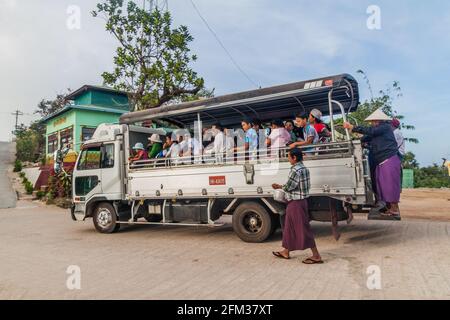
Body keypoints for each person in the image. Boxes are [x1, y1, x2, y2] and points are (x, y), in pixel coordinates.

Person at [343, 109, 402, 219]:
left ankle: (394, 209)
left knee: (390, 185)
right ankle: (390, 208)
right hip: (383, 160)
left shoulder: (385, 127)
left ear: (379, 120)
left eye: (373, 121)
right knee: (382, 184)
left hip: (388, 158)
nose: (372, 123)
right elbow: (367, 137)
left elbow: (370, 131)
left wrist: (353, 127)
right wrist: (355, 141)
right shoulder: (379, 130)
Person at [271, 148, 323, 264]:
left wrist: (278, 186)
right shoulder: (304, 168)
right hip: (300, 202)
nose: (288, 159)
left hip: (296, 203)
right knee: (289, 228)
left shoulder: (295, 170)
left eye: (289, 156)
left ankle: (316, 255)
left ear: (294, 158)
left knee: (303, 229)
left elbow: (289, 187)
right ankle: (286, 251)